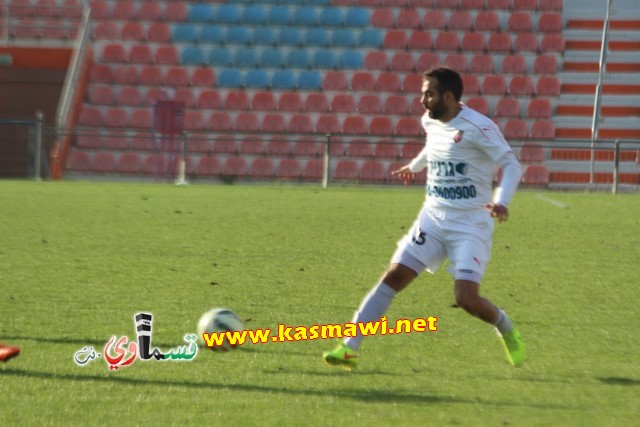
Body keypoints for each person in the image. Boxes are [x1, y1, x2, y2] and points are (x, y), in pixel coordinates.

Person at [323, 67, 525, 370]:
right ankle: (349, 345)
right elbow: (433, 148)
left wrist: (502, 201)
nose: (422, 99)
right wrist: (415, 167)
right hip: (432, 216)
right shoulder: (430, 120)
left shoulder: (478, 127)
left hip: (470, 224)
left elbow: (511, 165)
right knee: (393, 276)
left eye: (428, 93)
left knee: (467, 299)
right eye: (422, 92)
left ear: (448, 96)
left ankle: (506, 326)